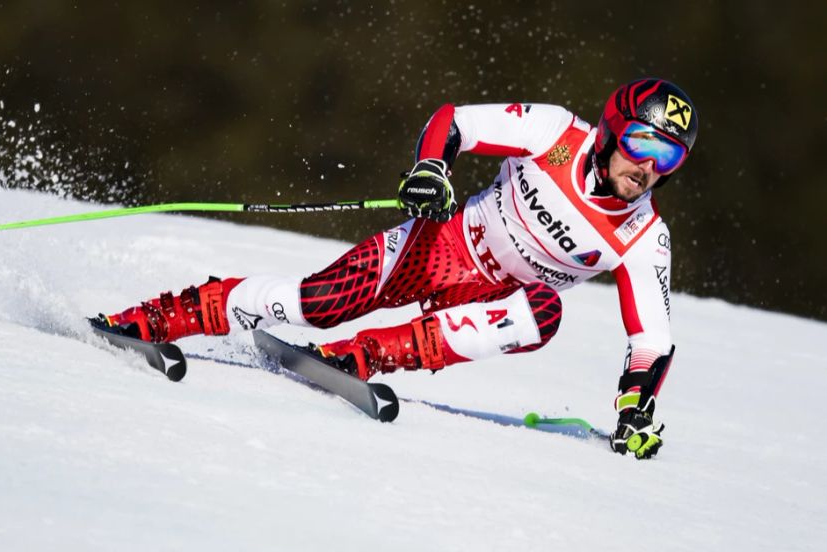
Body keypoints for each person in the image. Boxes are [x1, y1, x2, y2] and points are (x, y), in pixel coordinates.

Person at [95, 78, 698, 460]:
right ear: (615, 131)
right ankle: (155, 319)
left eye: (668, 157)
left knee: (544, 312)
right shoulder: (556, 133)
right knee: (314, 303)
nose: (649, 167)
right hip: (439, 245)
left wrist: (633, 411)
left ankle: (360, 357)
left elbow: (653, 339)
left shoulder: (644, 234)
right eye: (645, 145)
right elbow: (455, 120)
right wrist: (434, 169)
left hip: (485, 303)